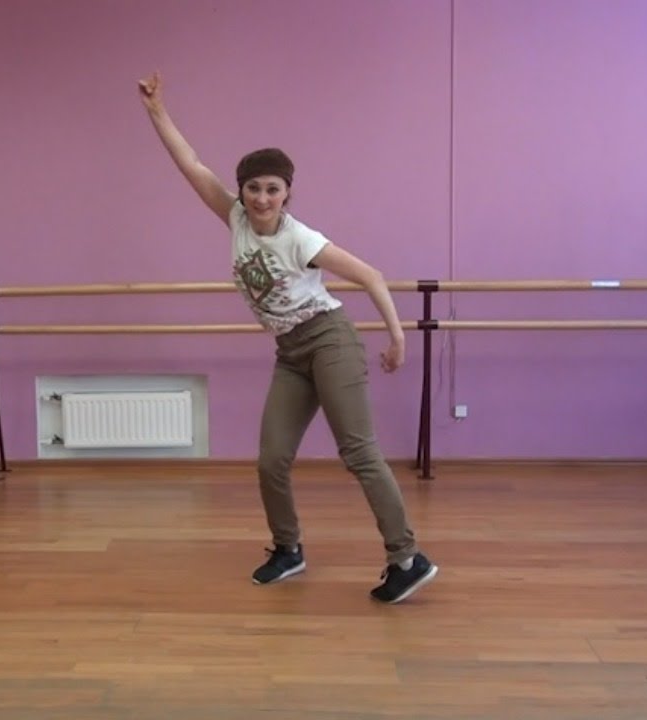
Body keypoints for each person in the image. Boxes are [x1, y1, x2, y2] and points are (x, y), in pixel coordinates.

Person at [137, 71, 437, 604]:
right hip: (291, 353)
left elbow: (371, 276)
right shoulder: (234, 218)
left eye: (272, 189)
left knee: (358, 451)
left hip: (329, 341)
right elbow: (192, 165)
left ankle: (407, 557)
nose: (261, 198)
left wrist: (398, 338)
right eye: (253, 188)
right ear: (243, 191)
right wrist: (157, 110)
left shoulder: (302, 239)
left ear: (287, 192)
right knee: (271, 459)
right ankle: (288, 549)